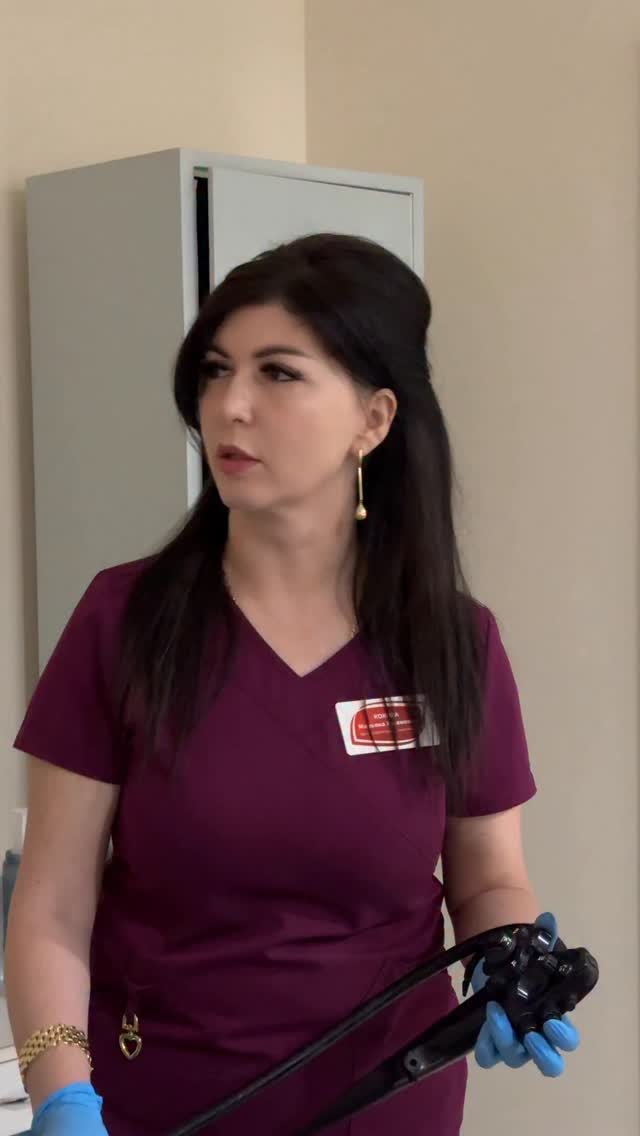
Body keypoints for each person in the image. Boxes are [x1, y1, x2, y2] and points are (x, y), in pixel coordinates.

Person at [5, 233, 580, 1136]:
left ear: (373, 420)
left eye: (278, 373)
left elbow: (489, 877)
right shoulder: (125, 622)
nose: (229, 406)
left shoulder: (453, 643)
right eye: (215, 370)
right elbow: (51, 906)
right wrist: (61, 1094)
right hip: (156, 1102)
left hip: (387, 1103)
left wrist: (507, 963)